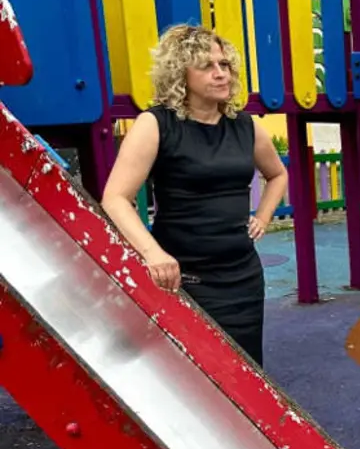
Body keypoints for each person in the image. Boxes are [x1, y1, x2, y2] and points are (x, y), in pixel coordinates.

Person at [101, 24, 288, 368]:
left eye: (224, 64)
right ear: (180, 74)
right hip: (184, 278)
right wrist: (153, 254)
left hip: (243, 278)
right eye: (207, 66)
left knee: (245, 372)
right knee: (190, 375)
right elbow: (115, 198)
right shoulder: (156, 124)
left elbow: (278, 174)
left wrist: (262, 217)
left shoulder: (245, 126)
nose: (221, 73)